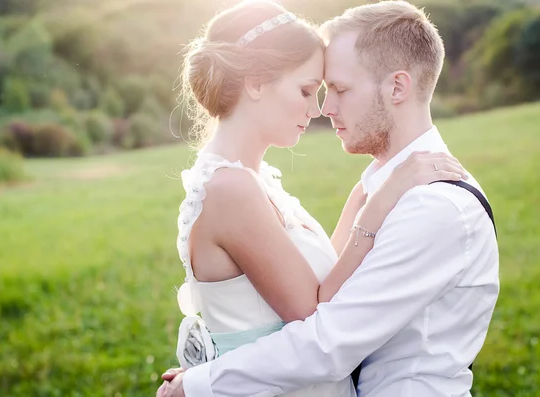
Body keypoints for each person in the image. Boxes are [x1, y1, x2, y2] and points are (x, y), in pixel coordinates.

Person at [159, 1, 493, 396]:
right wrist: (373, 205)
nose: (321, 108)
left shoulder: (432, 204)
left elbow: (323, 311)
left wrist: (368, 197)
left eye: (338, 88)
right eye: (309, 89)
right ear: (255, 83)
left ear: (398, 87)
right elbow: (318, 318)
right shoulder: (235, 187)